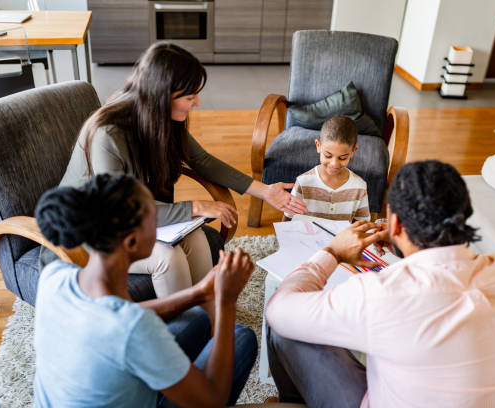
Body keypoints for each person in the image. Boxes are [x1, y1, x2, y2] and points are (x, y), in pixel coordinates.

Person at [41, 42, 307, 307]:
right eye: (190, 97)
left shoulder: (160, 118)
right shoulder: (107, 134)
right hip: (97, 229)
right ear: (162, 95)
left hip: (140, 217)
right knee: (169, 258)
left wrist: (265, 191)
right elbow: (118, 211)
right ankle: (182, 329)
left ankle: (209, 317)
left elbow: (201, 160)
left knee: (197, 239)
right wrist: (195, 206)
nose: (198, 103)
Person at [266, 160, 495, 408]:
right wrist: (400, 241)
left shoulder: (381, 294)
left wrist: (333, 252)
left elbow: (279, 311)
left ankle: (292, 403)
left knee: (284, 316)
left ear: (394, 223)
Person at [33, 173, 257, 408]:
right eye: (154, 218)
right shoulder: (133, 329)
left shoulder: (53, 277)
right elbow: (213, 400)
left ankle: (174, 382)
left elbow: (119, 317)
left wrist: (198, 293)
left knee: (198, 317)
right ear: (131, 242)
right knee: (241, 337)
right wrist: (226, 301)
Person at [284, 115, 369, 222]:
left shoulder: (359, 187)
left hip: (343, 239)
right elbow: (288, 218)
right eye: (328, 156)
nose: (334, 164)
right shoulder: (303, 182)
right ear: (318, 145)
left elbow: (362, 225)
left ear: (353, 151)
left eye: (343, 158)